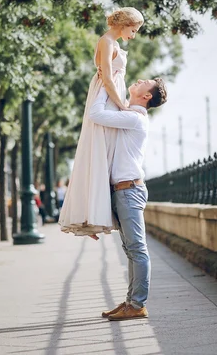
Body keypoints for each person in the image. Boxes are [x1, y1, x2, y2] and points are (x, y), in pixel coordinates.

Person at [59, 7, 144, 239]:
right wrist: (123, 105)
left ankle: (97, 216)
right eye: (133, 30)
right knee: (100, 154)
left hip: (111, 98)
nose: (133, 35)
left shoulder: (112, 43)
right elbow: (107, 77)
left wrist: (123, 104)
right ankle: (91, 217)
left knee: (106, 156)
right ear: (125, 23)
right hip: (106, 99)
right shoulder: (106, 41)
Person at [89, 78, 167, 321]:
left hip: (129, 190)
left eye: (147, 83)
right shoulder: (128, 113)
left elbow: (95, 113)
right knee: (131, 250)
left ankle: (137, 304)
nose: (140, 80)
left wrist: (103, 81)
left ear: (146, 97)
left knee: (137, 249)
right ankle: (131, 301)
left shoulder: (134, 118)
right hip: (122, 190)